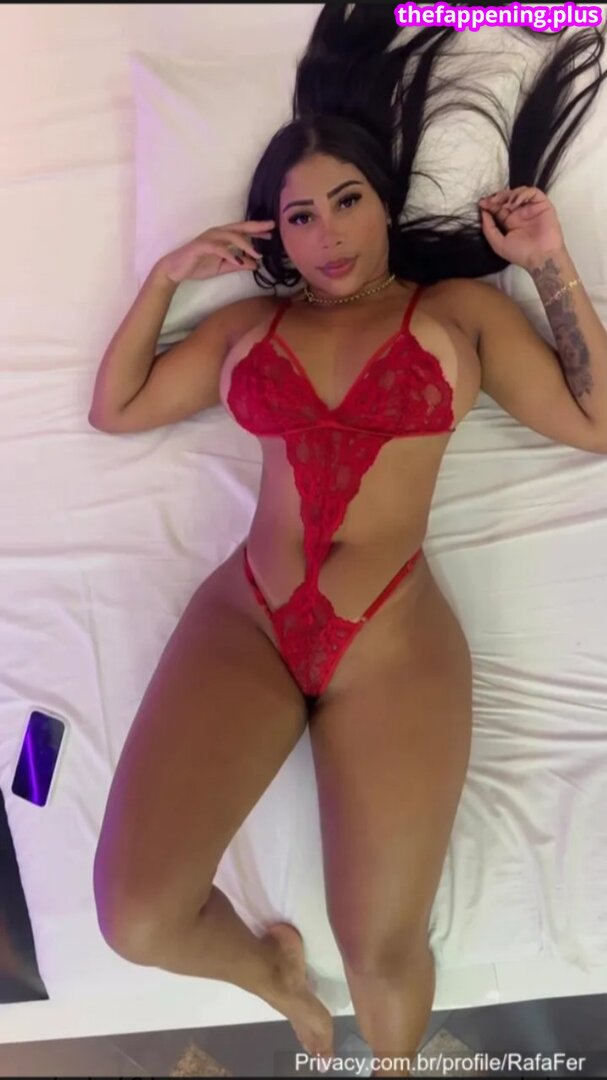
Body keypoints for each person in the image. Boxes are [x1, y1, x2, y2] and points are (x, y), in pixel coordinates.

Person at [89, 4, 607, 1076]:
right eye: (299, 216)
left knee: (379, 952)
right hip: (247, 619)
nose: (326, 234)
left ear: (383, 203)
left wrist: (548, 260)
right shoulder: (245, 326)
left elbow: (597, 423)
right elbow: (118, 409)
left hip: (391, 637)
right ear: (271, 233)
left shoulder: (459, 311)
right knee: (137, 919)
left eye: (346, 202)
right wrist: (166, 278)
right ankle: (270, 974)